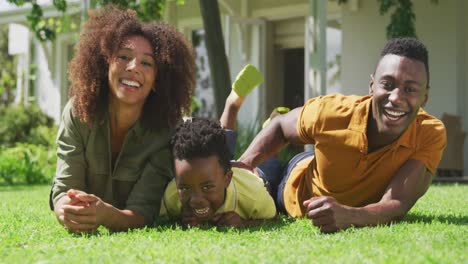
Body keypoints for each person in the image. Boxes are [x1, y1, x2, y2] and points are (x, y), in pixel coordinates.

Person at [238, 37, 447, 233]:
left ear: (425, 98)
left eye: (410, 90)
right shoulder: (331, 111)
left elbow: (396, 203)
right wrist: (243, 165)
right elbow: (281, 127)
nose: (396, 98)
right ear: (372, 86)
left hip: (325, 161)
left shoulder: (429, 133)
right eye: (388, 85)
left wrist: (349, 215)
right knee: (262, 180)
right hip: (295, 180)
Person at [49, 5, 195, 233]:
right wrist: (66, 211)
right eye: (124, 56)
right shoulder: (78, 111)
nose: (133, 67)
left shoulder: (168, 131)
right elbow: (64, 190)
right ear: (105, 63)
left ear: (158, 79)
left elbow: (142, 213)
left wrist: (105, 214)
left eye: (146, 63)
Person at [160, 65, 276, 228]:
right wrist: (181, 220)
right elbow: (161, 220)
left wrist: (245, 223)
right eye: (185, 188)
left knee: (270, 160)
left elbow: (273, 219)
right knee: (215, 150)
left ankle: (272, 126)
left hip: (257, 176)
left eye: (207, 187)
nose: (196, 199)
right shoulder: (172, 196)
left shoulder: (253, 195)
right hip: (215, 168)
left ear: (228, 179)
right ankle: (232, 104)